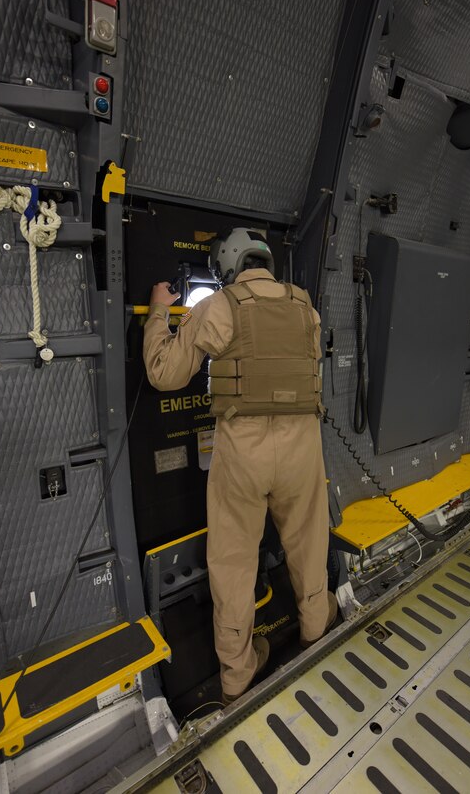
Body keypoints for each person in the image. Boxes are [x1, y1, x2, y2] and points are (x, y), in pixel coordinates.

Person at [143, 227, 337, 703]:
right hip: (302, 448)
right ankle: (317, 627)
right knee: (309, 543)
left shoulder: (220, 305)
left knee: (232, 561)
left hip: (242, 452)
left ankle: (236, 674)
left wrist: (157, 312)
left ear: (229, 264)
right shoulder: (303, 305)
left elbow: (164, 374)